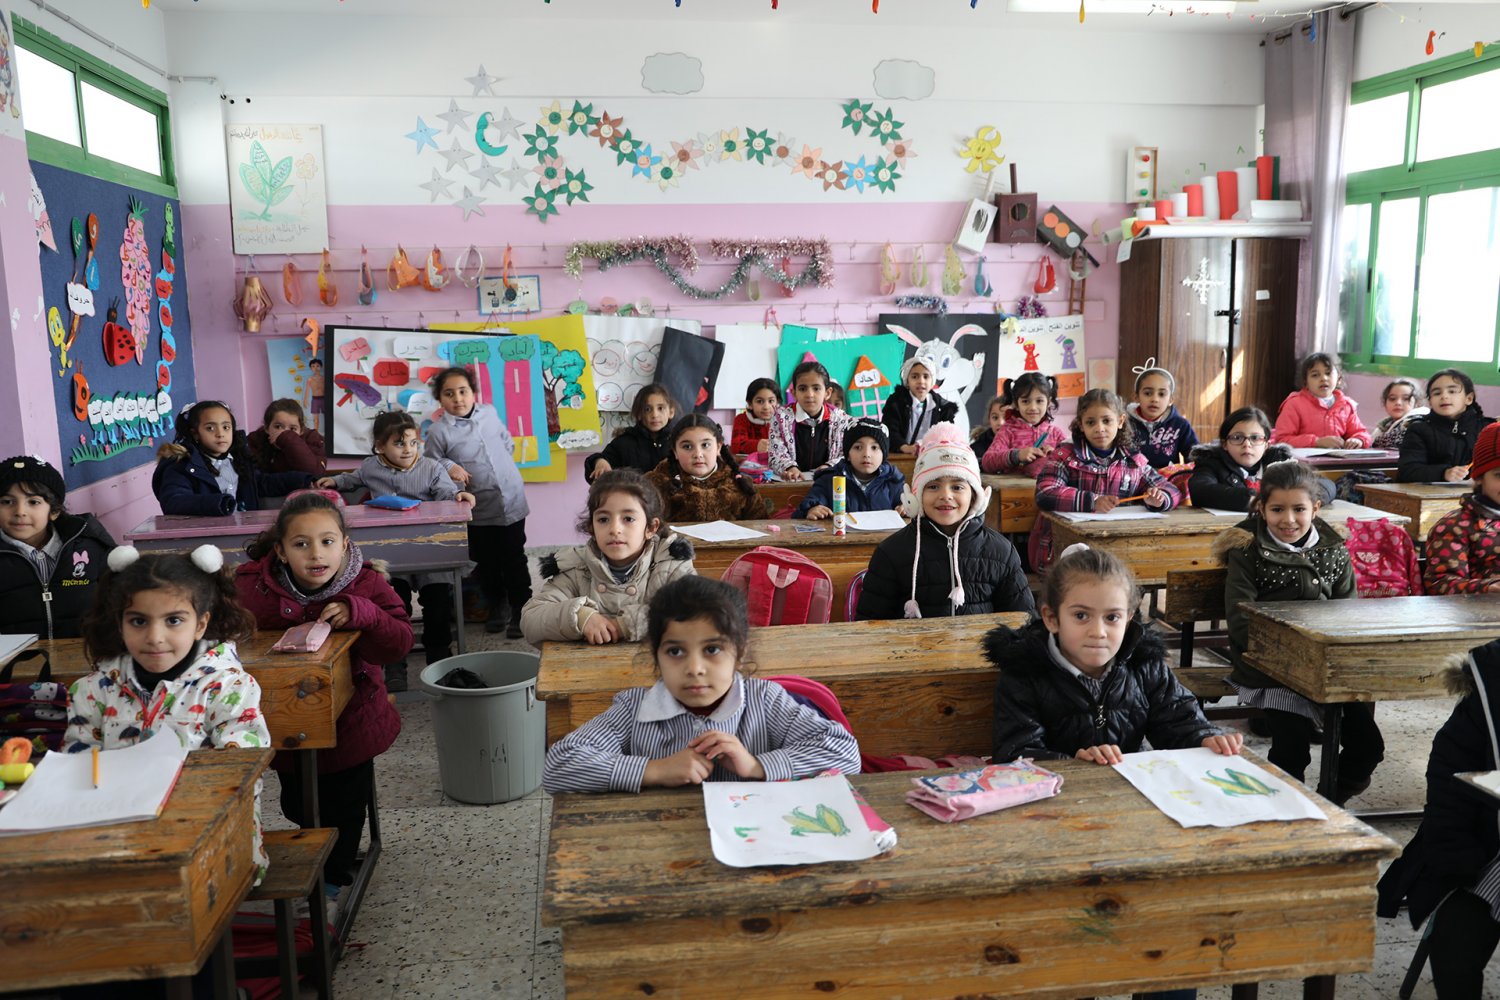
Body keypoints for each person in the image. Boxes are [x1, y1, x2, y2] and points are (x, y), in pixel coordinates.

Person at [234, 492, 409, 899]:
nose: (317, 554)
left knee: (346, 803)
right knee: (298, 803)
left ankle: (334, 873)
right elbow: (226, 628)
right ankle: (314, 849)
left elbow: (398, 643)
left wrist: (362, 613)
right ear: (280, 550)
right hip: (286, 717)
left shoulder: (367, 582)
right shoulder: (252, 586)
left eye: (328, 541)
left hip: (354, 719)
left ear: (345, 543)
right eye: (301, 544)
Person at [541, 575, 861, 793]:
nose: (694, 669)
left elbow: (846, 753)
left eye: (712, 650)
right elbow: (558, 765)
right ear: (657, 656)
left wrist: (757, 766)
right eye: (676, 651)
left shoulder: (766, 701)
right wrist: (654, 770)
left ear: (740, 654)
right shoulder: (634, 708)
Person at [65, 544, 270, 882]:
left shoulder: (229, 687)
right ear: (120, 623)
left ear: (201, 624)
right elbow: (79, 765)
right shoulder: (92, 690)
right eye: (138, 621)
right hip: (120, 833)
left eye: (174, 620)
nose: (155, 637)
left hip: (212, 833)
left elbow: (242, 769)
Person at [1216, 460, 1381, 804]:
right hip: (1273, 669)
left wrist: (1333, 660)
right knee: (1292, 751)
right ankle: (1284, 810)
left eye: (1299, 509)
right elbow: (1240, 617)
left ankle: (1330, 801)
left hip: (1329, 667)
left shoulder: (1333, 548)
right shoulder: (1247, 548)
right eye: (1277, 509)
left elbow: (1346, 612)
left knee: (1368, 746)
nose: (1288, 519)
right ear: (1261, 508)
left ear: (1316, 508)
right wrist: (1291, 660)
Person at [989, 542, 1239, 765]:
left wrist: (1205, 738)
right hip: (1056, 800)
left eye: (1112, 617)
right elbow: (1016, 752)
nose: (1098, 632)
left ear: (1129, 620)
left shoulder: (1143, 664)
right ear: (1052, 618)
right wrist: (1073, 763)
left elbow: (1178, 721)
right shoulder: (1025, 673)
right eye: (1081, 616)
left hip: (1127, 791)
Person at [1377, 636, 1500, 998]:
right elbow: (1450, 777)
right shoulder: (1492, 684)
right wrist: (1459, 859)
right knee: (1455, 943)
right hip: (1487, 846)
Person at [317, 411, 474, 677]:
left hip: (429, 550)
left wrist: (458, 494)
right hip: (390, 555)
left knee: (437, 607)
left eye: (413, 443)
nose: (407, 450)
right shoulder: (371, 466)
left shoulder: (432, 468)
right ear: (380, 446)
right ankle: (395, 662)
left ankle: (440, 661)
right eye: (399, 443)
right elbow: (353, 478)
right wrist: (335, 481)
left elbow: (448, 493)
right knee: (393, 607)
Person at [856, 422, 1035, 620]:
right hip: (912, 651)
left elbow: (1023, 621)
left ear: (975, 496)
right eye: (933, 487)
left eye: (957, 487)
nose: (945, 495)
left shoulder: (1001, 551)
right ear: (915, 497)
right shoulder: (891, 552)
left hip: (979, 651)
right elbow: (870, 624)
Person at [521, 470, 695, 645]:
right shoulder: (575, 568)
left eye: (628, 518)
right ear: (592, 528)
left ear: (651, 527)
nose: (614, 529)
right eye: (603, 519)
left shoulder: (670, 564)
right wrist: (580, 616)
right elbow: (530, 619)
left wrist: (626, 624)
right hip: (587, 668)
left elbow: (694, 611)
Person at [423, 366, 532, 638]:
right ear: (440, 400)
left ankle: (522, 609)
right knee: (487, 562)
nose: (458, 398)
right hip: (477, 508)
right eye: (449, 394)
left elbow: (506, 443)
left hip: (511, 497)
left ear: (473, 393)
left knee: (515, 558)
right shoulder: (439, 431)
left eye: (463, 391)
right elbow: (431, 463)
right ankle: (497, 606)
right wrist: (449, 466)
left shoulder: (490, 413)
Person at [1031, 389, 1180, 570]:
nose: (1099, 428)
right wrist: (1091, 501)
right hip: (1066, 553)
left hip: (1117, 552)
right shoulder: (1066, 455)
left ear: (1121, 421)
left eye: (1107, 421)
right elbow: (1045, 493)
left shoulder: (1132, 460)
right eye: (1090, 422)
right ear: (1080, 425)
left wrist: (1160, 498)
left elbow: (1172, 490)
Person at [0, 455, 115, 639]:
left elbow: (120, 604)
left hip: (86, 658)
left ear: (54, 511)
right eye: (7, 501)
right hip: (15, 664)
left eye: (34, 502)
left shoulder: (90, 545)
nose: (20, 511)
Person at [154, 400, 312, 515]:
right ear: (195, 433)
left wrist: (304, 479)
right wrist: (217, 503)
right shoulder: (181, 464)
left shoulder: (238, 459)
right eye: (210, 428)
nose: (220, 433)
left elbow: (261, 483)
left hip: (241, 533)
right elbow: (174, 501)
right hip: (204, 541)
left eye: (226, 427)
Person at [1188, 406, 1333, 512]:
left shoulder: (1281, 462)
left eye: (1255, 438)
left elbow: (1327, 486)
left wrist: (1292, 499)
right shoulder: (1212, 462)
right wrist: (1253, 500)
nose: (1247, 444)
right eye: (1237, 438)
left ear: (1266, 445)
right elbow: (1200, 490)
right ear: (1225, 444)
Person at [1425, 422, 1500, 594]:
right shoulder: (1455, 526)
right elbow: (1439, 584)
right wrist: (1488, 588)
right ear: (1480, 478)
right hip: (1479, 616)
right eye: (1499, 475)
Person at [646, 414, 762, 522]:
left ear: (718, 447)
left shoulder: (740, 484)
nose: (698, 454)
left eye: (705, 445)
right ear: (675, 451)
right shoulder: (658, 485)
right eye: (687, 446)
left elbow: (760, 525)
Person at [1399, 368, 1494, 484]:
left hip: (1477, 496)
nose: (1444, 396)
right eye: (1437, 393)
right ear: (1430, 402)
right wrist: (1444, 473)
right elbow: (1408, 471)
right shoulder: (1419, 429)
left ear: (1469, 398)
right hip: (1430, 497)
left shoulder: (1487, 429)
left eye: (1452, 391)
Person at [794, 422, 904, 520]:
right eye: (858, 447)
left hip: (882, 541)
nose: (866, 454)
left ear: (883, 455)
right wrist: (810, 510)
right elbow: (807, 506)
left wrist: (907, 508)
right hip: (839, 541)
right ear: (847, 455)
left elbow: (909, 507)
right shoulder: (828, 480)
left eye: (874, 448)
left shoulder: (893, 481)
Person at [767, 360, 856, 482]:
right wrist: (790, 467)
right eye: (802, 388)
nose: (809, 394)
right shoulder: (780, 418)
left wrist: (828, 467)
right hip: (792, 483)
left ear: (827, 393)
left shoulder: (841, 420)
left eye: (816, 388)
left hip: (827, 481)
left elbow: (846, 453)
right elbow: (776, 453)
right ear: (794, 393)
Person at [1270, 352, 1371, 449]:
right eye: (1315, 375)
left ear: (1339, 378)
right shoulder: (1294, 404)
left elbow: (1361, 433)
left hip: (1336, 462)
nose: (1323, 378)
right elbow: (1282, 440)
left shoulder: (1346, 405)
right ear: (1305, 382)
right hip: (1302, 464)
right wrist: (1316, 442)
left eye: (1328, 373)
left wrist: (1358, 440)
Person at [585, 382, 677, 484]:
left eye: (660, 408)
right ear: (639, 414)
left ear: (671, 412)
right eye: (647, 409)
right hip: (634, 498)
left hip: (671, 499)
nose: (654, 414)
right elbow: (600, 458)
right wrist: (600, 462)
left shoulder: (678, 441)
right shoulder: (625, 442)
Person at [981, 373, 1067, 478]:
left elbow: (1073, 462)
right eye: (1025, 401)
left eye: (1039, 401)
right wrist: (1017, 455)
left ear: (1048, 402)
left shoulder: (1056, 433)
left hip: (1049, 493)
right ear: (1016, 404)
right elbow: (987, 462)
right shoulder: (1007, 431)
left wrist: (1056, 454)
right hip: (1013, 492)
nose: (1033, 407)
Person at [1126, 358, 1199, 468]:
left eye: (1161, 394)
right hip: (1133, 479)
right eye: (1147, 393)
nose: (1154, 399)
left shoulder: (1180, 425)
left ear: (1170, 400)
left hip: (1167, 480)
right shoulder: (1124, 423)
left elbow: (1195, 457)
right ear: (1136, 397)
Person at [881, 356, 958, 455]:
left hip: (932, 456)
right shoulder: (895, 403)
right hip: (901, 455)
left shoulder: (944, 408)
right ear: (907, 381)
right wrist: (905, 447)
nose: (921, 381)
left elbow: (947, 434)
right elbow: (889, 430)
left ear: (932, 382)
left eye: (926, 376)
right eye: (914, 376)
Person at [247, 398, 326, 476]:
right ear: (267, 428)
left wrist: (287, 440)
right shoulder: (255, 440)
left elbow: (315, 473)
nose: (284, 433)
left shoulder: (312, 438)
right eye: (278, 427)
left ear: (301, 430)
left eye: (292, 429)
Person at [1370, 377, 1426, 451]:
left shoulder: (1418, 423)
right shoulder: (1384, 426)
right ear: (1385, 402)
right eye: (1392, 399)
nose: (1398, 403)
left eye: (1406, 399)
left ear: (1417, 403)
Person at [731, 378, 778, 458]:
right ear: (750, 404)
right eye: (760, 401)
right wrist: (756, 446)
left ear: (777, 402)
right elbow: (736, 447)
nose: (766, 407)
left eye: (771, 401)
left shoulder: (783, 421)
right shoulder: (741, 419)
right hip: (750, 467)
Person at [970, 394, 1005, 462]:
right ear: (989, 419)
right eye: (995, 417)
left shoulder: (1024, 445)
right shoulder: (977, 448)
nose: (1000, 422)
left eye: (1006, 417)